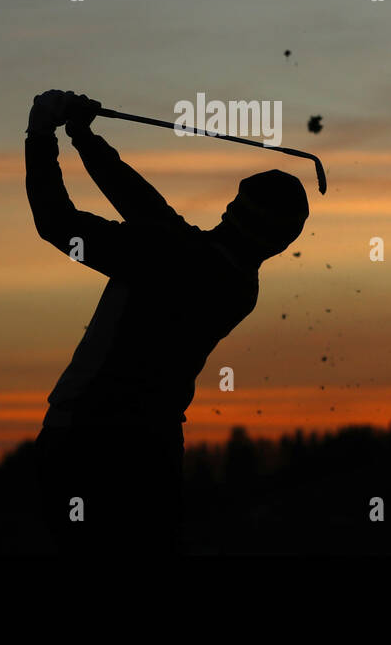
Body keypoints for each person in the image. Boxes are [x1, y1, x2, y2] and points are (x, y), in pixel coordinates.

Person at [24, 89, 310, 554]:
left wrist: (41, 133)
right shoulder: (237, 285)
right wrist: (82, 136)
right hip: (152, 452)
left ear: (233, 209)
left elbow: (57, 222)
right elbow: (147, 210)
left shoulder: (175, 257)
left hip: (87, 444)